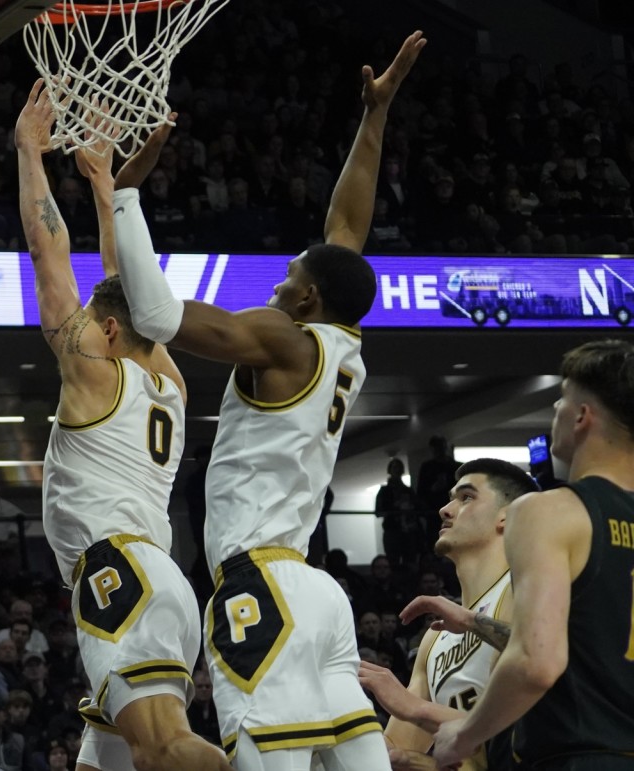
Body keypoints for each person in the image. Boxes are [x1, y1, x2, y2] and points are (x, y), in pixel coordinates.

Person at [113, 31, 426, 769]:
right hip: (318, 594)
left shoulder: (284, 336)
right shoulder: (342, 340)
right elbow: (346, 230)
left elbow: (156, 317)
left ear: (306, 297)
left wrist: (124, 193)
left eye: (287, 276)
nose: (277, 283)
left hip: (261, 585)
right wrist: (373, 117)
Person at [15, 79, 225, 771]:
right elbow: (122, 275)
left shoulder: (94, 373)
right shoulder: (170, 380)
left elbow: (51, 262)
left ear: (106, 329)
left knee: (164, 749)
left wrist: (28, 151)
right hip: (157, 575)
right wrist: (103, 181)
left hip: (117, 573)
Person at [433, 340, 634, 767]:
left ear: (582, 417)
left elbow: (537, 661)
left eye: (562, 398)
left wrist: (465, 735)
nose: (556, 408)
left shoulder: (547, 509)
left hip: (581, 755)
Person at [357, 458, 538, 770]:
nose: (445, 509)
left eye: (466, 497)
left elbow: (527, 726)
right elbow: (396, 749)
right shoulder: (435, 636)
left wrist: (414, 709)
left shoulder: (527, 588)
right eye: (451, 498)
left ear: (507, 517)